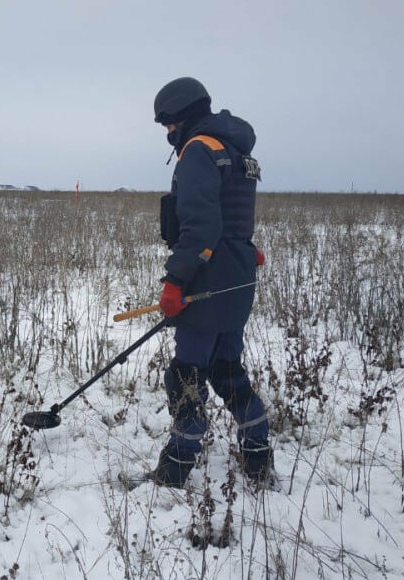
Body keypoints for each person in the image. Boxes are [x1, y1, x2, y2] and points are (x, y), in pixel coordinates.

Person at [151, 77, 272, 488]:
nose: (168, 134)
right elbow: (233, 218)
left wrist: (175, 281)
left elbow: (201, 228)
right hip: (238, 277)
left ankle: (176, 468)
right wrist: (245, 253)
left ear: (182, 116)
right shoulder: (235, 150)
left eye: (168, 125)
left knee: (185, 374)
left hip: (207, 278)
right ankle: (258, 454)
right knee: (226, 368)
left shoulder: (199, 150)